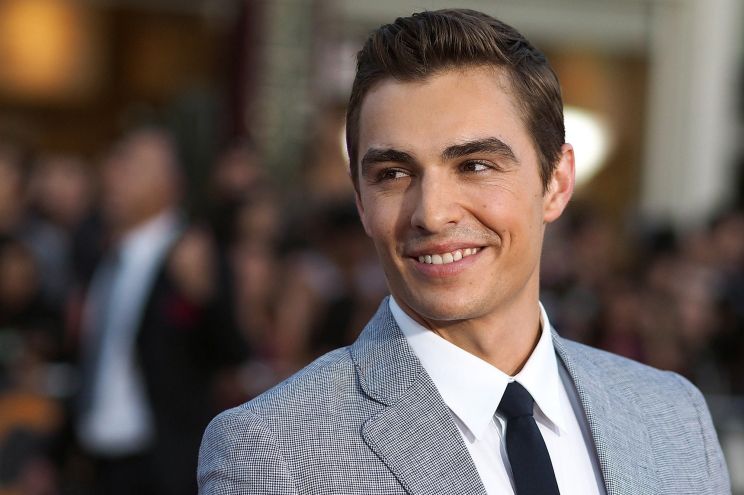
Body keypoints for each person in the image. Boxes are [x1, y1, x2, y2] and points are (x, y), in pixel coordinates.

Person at [198, 9, 730, 494]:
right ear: (360, 200)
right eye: (393, 174)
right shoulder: (274, 452)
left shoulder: (674, 415)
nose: (431, 213)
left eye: (474, 166)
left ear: (557, 182)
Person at [75, 127, 247, 495]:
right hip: (98, 458)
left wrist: (204, 300)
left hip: (165, 464)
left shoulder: (194, 252)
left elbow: (232, 353)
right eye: (114, 164)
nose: (113, 176)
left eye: (130, 166)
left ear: (170, 183)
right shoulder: (104, 256)